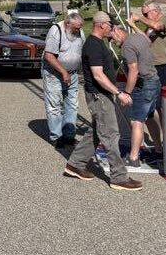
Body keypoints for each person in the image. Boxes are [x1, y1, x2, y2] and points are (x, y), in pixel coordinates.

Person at [63, 12, 142, 191]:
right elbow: (98, 75)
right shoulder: (93, 46)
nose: (112, 29)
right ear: (101, 25)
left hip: (102, 95)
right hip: (99, 96)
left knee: (97, 132)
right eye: (110, 25)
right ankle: (119, 177)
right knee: (111, 135)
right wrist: (119, 93)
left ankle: (75, 164)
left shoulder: (98, 44)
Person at [110, 24, 162, 168]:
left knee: (136, 121)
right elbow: (149, 41)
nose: (112, 41)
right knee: (150, 116)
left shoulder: (127, 46)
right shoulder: (139, 36)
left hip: (143, 84)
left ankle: (133, 158)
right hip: (155, 81)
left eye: (112, 37)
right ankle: (158, 150)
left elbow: (133, 70)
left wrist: (126, 92)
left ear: (118, 31)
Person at [41, 12, 84, 148]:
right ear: (67, 24)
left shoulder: (80, 33)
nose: (78, 31)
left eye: (79, 28)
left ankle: (69, 136)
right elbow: (49, 56)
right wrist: (64, 72)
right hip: (54, 74)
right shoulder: (56, 31)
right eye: (76, 28)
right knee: (55, 105)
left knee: (72, 104)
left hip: (73, 74)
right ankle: (56, 136)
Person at [127, 1, 166, 103]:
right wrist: (133, 26)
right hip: (154, 67)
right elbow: (145, 41)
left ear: (155, 11)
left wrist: (139, 18)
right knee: (155, 101)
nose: (145, 17)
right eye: (143, 14)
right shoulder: (150, 26)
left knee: (165, 100)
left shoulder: (165, 20)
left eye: (146, 14)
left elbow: (157, 26)